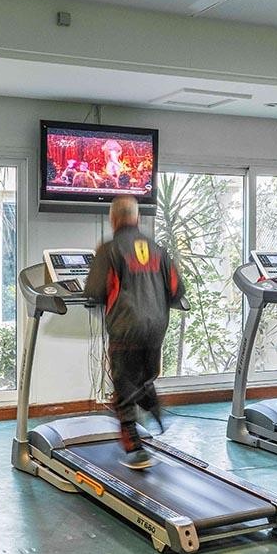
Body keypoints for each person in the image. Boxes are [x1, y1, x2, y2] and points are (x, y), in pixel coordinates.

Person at [85, 195, 185, 469]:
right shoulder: (158, 249)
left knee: (124, 389)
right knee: (142, 378)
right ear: (137, 217)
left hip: (126, 329)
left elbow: (94, 291)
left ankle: (136, 450)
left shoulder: (109, 250)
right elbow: (177, 290)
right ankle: (153, 405)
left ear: (113, 219)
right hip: (156, 329)